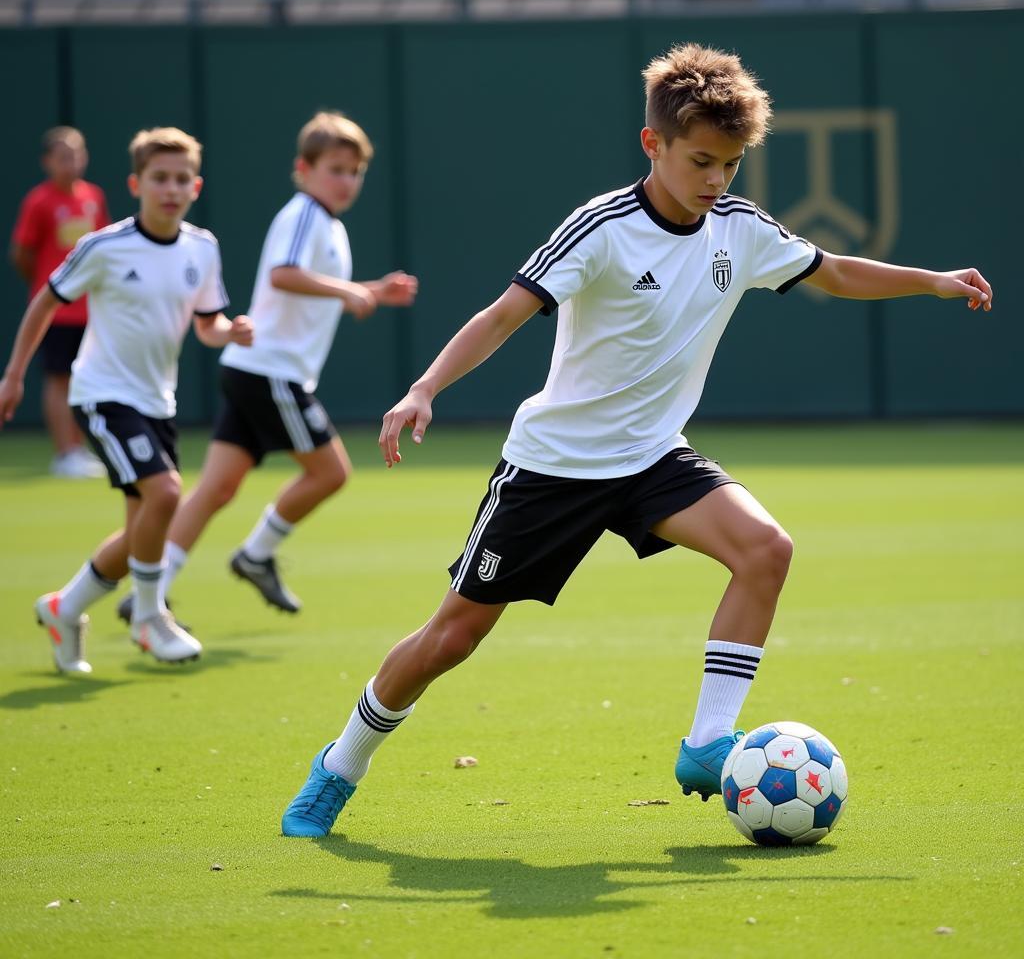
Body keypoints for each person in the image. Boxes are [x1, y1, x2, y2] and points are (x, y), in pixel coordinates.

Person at [280, 44, 994, 837]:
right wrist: (423, 388)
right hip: (554, 466)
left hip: (652, 457)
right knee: (454, 635)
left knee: (766, 550)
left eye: (729, 164)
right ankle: (339, 766)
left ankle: (705, 744)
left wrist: (932, 280)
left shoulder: (740, 230)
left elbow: (832, 271)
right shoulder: (601, 228)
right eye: (701, 160)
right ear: (653, 144)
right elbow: (502, 316)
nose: (716, 179)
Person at [114, 112, 417, 624]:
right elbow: (283, 275)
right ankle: (255, 556)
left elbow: (306, 283)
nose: (346, 180)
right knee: (331, 473)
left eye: (355, 171)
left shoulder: (326, 223)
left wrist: (370, 291)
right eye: (335, 168)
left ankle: (150, 594)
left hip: (250, 369)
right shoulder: (304, 213)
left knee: (215, 489)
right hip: (271, 372)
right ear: (304, 168)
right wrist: (349, 291)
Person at [0, 127, 253, 673]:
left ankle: (63, 609)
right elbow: (45, 300)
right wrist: (14, 375)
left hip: (157, 402)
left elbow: (207, 324)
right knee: (165, 493)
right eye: (160, 178)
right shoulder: (104, 246)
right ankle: (148, 616)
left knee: (142, 527)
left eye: (182, 179)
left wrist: (230, 332)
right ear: (137, 184)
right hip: (101, 393)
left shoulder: (202, 248)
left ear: (196, 186)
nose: (171, 188)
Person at [10, 126, 110, 479]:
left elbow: (103, 249)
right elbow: (22, 252)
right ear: (47, 161)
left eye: (77, 154)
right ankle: (63, 452)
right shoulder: (39, 201)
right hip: (56, 311)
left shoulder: (93, 197)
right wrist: (45, 285)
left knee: (85, 378)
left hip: (90, 308)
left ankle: (79, 449)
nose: (71, 162)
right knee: (58, 379)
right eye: (63, 156)